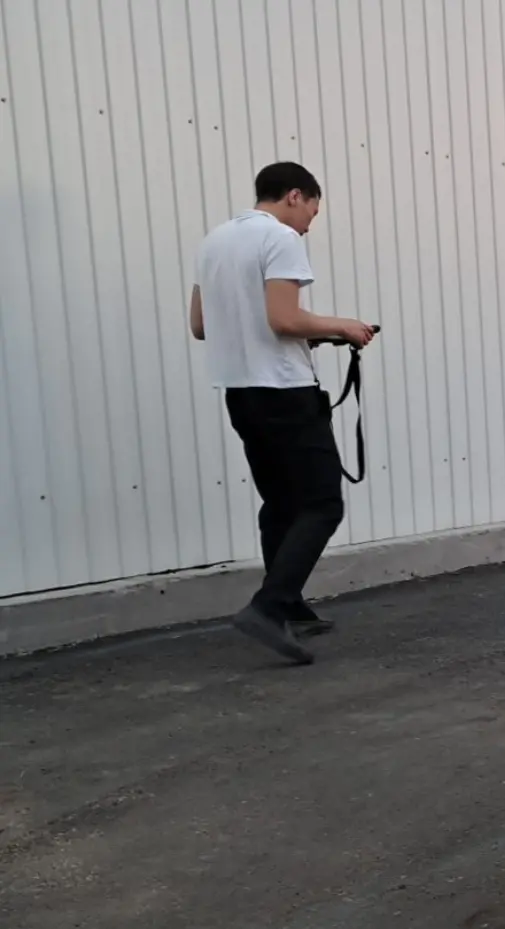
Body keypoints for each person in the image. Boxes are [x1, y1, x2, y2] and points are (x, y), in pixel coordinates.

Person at [189, 162, 375, 665]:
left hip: (242, 394)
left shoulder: (215, 240)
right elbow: (284, 318)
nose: (311, 222)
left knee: (281, 503)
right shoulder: (280, 238)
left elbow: (202, 324)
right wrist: (344, 326)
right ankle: (269, 608)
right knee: (321, 505)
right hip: (285, 395)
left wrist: (313, 334)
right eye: (313, 209)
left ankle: (289, 604)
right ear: (295, 195)